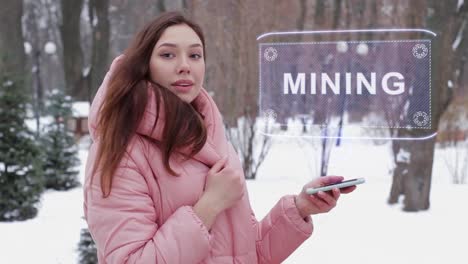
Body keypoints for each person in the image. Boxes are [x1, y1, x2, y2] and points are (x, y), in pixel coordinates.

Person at [83, 11, 356, 264]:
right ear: (143, 65)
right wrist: (209, 205)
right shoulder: (121, 150)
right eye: (167, 55)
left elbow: (246, 253)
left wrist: (299, 208)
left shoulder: (211, 139)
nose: (184, 66)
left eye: (195, 55)